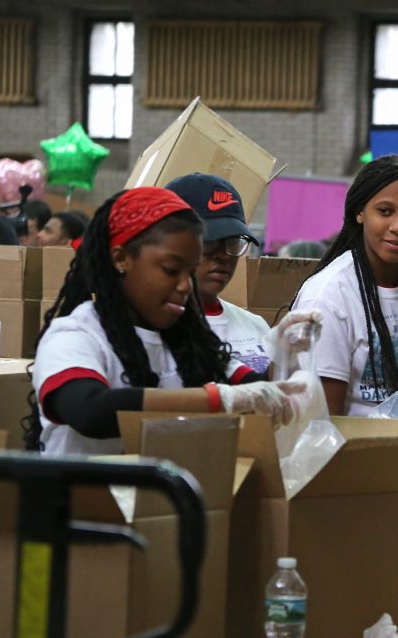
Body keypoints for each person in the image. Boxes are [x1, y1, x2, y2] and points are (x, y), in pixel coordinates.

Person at [26, 186, 311, 455]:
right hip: (86, 504)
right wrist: (216, 400)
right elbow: (90, 410)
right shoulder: (75, 335)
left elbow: (254, 388)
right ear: (121, 258)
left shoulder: (187, 340)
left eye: (189, 272)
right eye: (171, 269)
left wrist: (283, 356)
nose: (186, 286)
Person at [291, 154, 398, 416]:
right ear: (360, 212)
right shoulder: (327, 297)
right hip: (348, 452)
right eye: (385, 211)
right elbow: (325, 423)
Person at [166, 173, 274, 375]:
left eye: (233, 243)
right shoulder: (153, 330)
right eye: (209, 242)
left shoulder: (255, 326)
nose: (224, 255)